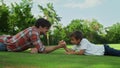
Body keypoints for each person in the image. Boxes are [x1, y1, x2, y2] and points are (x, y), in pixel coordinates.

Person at [0, 18, 65, 54]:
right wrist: (58, 46)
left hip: (4, 43)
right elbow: (42, 50)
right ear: (40, 27)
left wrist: (36, 48)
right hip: (3, 44)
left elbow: (39, 47)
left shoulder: (34, 31)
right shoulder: (34, 32)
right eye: (46, 28)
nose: (48, 30)